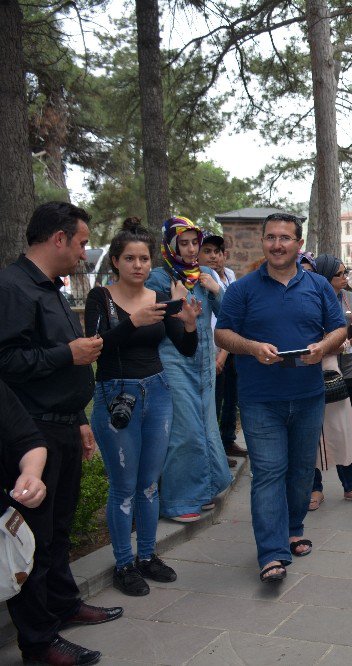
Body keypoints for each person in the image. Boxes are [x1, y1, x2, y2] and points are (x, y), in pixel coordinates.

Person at [0, 201, 122, 666]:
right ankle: (38, 640)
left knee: (58, 531)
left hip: (64, 425)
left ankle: (64, 604)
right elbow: (6, 362)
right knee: (32, 537)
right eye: (83, 242)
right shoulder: (12, 288)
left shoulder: (50, 287)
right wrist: (64, 355)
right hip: (31, 433)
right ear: (59, 239)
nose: (84, 251)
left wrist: (81, 418)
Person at [216, 212, 347, 582]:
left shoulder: (319, 286)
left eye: (285, 238)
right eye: (270, 237)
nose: (277, 244)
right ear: (263, 242)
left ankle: (293, 528)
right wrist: (252, 346)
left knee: (301, 470)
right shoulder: (242, 290)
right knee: (269, 472)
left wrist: (323, 347)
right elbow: (222, 335)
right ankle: (272, 553)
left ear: (298, 244)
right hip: (260, 399)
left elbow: (339, 327)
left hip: (308, 395)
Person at [84, 218, 200, 596]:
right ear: (115, 261)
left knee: (149, 484)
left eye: (145, 258)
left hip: (158, 392)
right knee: (124, 488)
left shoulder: (159, 300)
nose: (139, 265)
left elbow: (184, 349)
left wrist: (190, 324)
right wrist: (132, 322)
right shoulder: (100, 298)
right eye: (130, 258)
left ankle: (147, 556)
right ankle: (123, 563)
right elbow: (96, 346)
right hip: (116, 395)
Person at [146, 216, 233, 523]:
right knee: (185, 430)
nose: (191, 249)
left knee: (207, 426)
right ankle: (177, 500)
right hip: (174, 360)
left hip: (205, 362)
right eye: (183, 243)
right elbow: (155, 320)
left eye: (195, 242)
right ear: (171, 245)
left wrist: (217, 289)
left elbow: (228, 316)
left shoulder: (207, 273)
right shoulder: (158, 277)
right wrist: (173, 302)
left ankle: (204, 489)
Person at [310, 254, 352, 510]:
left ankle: (350, 486)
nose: (345, 277)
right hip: (313, 370)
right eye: (340, 273)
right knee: (312, 434)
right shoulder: (312, 300)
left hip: (340, 369)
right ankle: (315, 489)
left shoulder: (351, 298)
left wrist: (351, 337)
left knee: (343, 429)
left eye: (346, 272)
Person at [200, 234, 246, 466]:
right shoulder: (198, 279)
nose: (213, 256)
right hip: (210, 350)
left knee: (231, 397)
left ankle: (228, 439)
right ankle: (215, 450)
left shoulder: (229, 276)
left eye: (217, 252)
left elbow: (231, 315)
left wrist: (225, 352)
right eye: (207, 251)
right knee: (214, 401)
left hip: (229, 348)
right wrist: (218, 354)